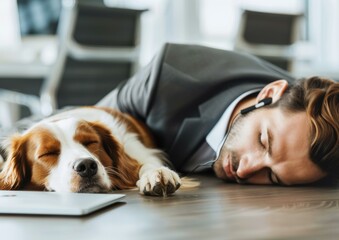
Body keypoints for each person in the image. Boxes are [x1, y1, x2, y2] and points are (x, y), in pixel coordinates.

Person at [96, 43, 339, 186]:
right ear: (270, 93)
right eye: (263, 141)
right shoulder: (167, 78)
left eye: (272, 177)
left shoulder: (317, 159)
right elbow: (74, 126)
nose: (245, 170)